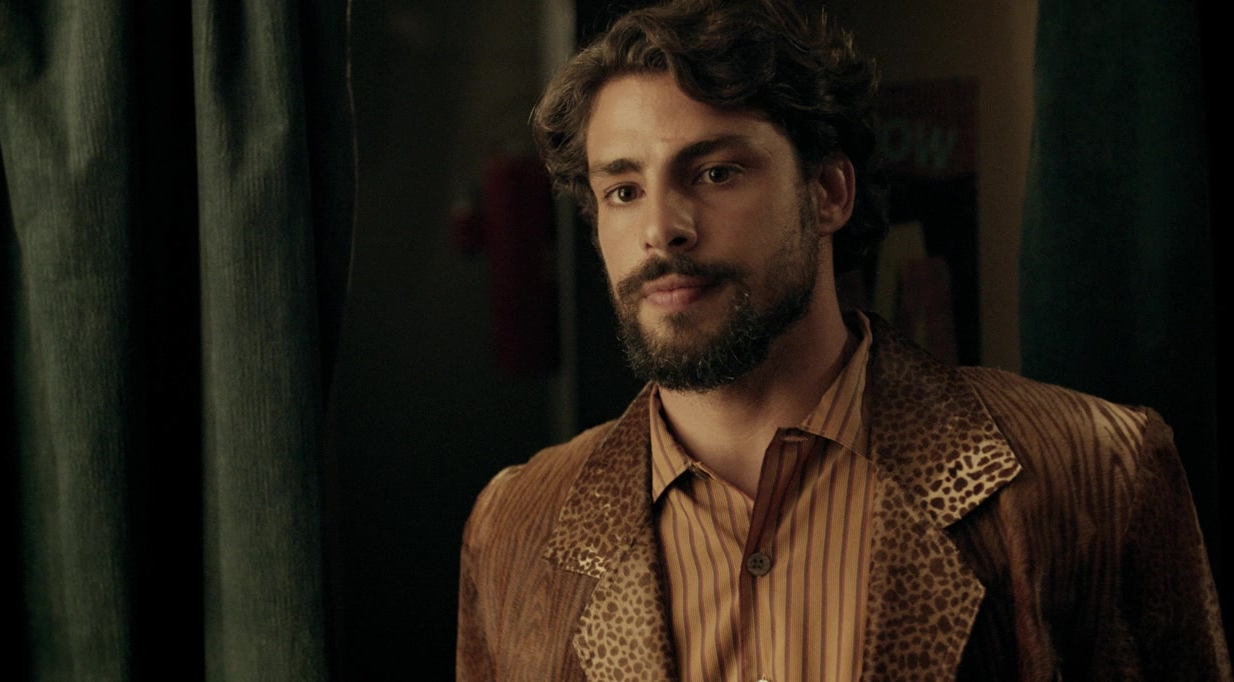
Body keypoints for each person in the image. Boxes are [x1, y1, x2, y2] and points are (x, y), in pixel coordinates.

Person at [456, 0, 1231, 679]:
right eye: (623, 190)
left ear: (828, 192)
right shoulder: (515, 524)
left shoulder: (1096, 470)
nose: (661, 228)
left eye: (716, 172)